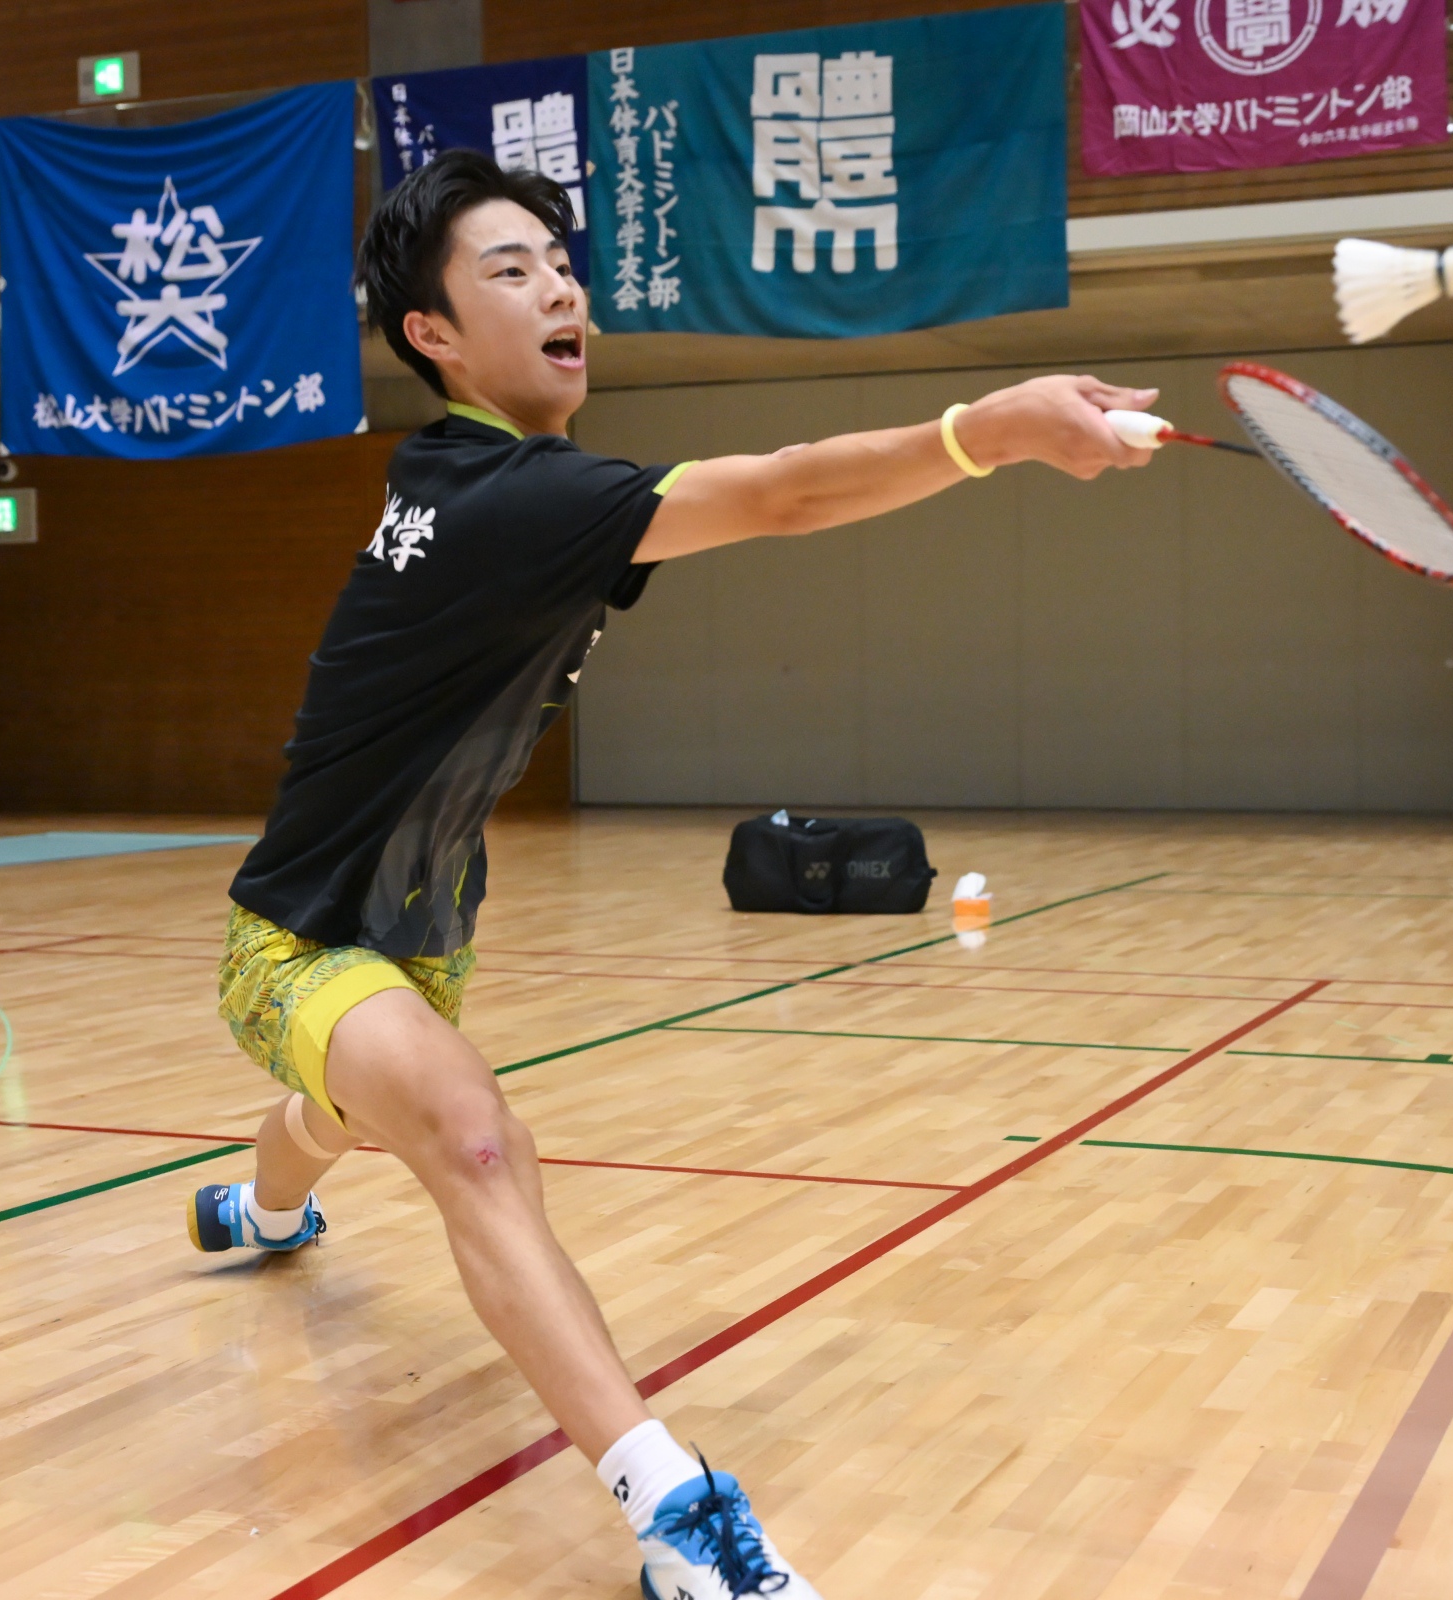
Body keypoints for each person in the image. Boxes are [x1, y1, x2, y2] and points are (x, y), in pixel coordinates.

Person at [193, 148, 1155, 1600]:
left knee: (346, 1115)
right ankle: (675, 1515)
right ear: (432, 334)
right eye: (509, 270)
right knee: (470, 1139)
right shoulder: (506, 496)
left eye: (560, 263)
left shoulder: (485, 478)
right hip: (293, 938)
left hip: (419, 932)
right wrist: (989, 431)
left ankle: (262, 1208)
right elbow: (782, 494)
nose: (558, 288)